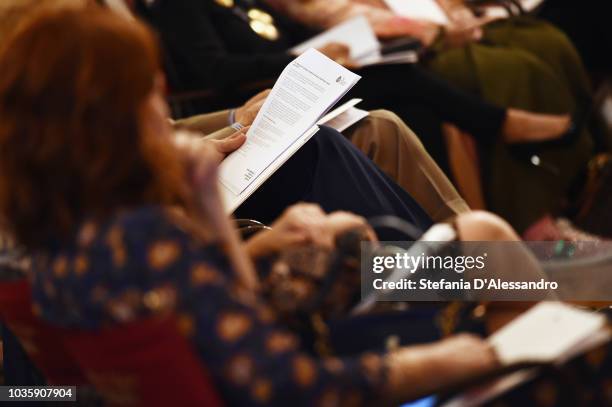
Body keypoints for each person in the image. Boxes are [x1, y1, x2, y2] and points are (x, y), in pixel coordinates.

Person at [2, 7, 611, 406]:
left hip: (294, 324)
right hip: (342, 354)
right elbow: (298, 388)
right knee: (483, 249)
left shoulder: (58, 247)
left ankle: (559, 287)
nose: (158, 100)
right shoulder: (142, 240)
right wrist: (474, 355)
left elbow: (220, 313)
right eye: (143, 91)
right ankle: (556, 327)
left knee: (473, 229)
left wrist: (243, 234)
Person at [128, 0, 592, 232]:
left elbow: (294, 28)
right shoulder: (178, 5)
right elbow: (218, 72)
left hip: (273, 97)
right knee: (399, 90)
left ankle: (477, 246)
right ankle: (472, 261)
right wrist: (237, 113)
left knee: (389, 116)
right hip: (249, 114)